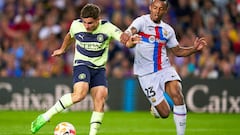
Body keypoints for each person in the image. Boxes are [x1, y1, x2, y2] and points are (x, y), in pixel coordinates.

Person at [31, 3, 139, 135]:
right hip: (82, 64)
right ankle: (45, 117)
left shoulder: (108, 28)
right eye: (84, 22)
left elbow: (126, 41)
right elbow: (70, 36)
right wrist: (62, 49)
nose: (86, 26)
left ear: (98, 20)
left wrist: (131, 42)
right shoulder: (76, 25)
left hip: (99, 68)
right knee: (80, 94)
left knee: (100, 98)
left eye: (90, 23)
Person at [120, 0, 207, 135]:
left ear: (165, 11)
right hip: (146, 75)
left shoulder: (168, 30)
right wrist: (128, 35)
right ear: (150, 7)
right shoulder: (141, 21)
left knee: (177, 94)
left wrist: (194, 49)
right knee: (165, 113)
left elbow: (177, 51)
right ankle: (156, 109)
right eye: (155, 8)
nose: (157, 11)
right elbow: (131, 30)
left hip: (164, 68)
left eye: (161, 9)